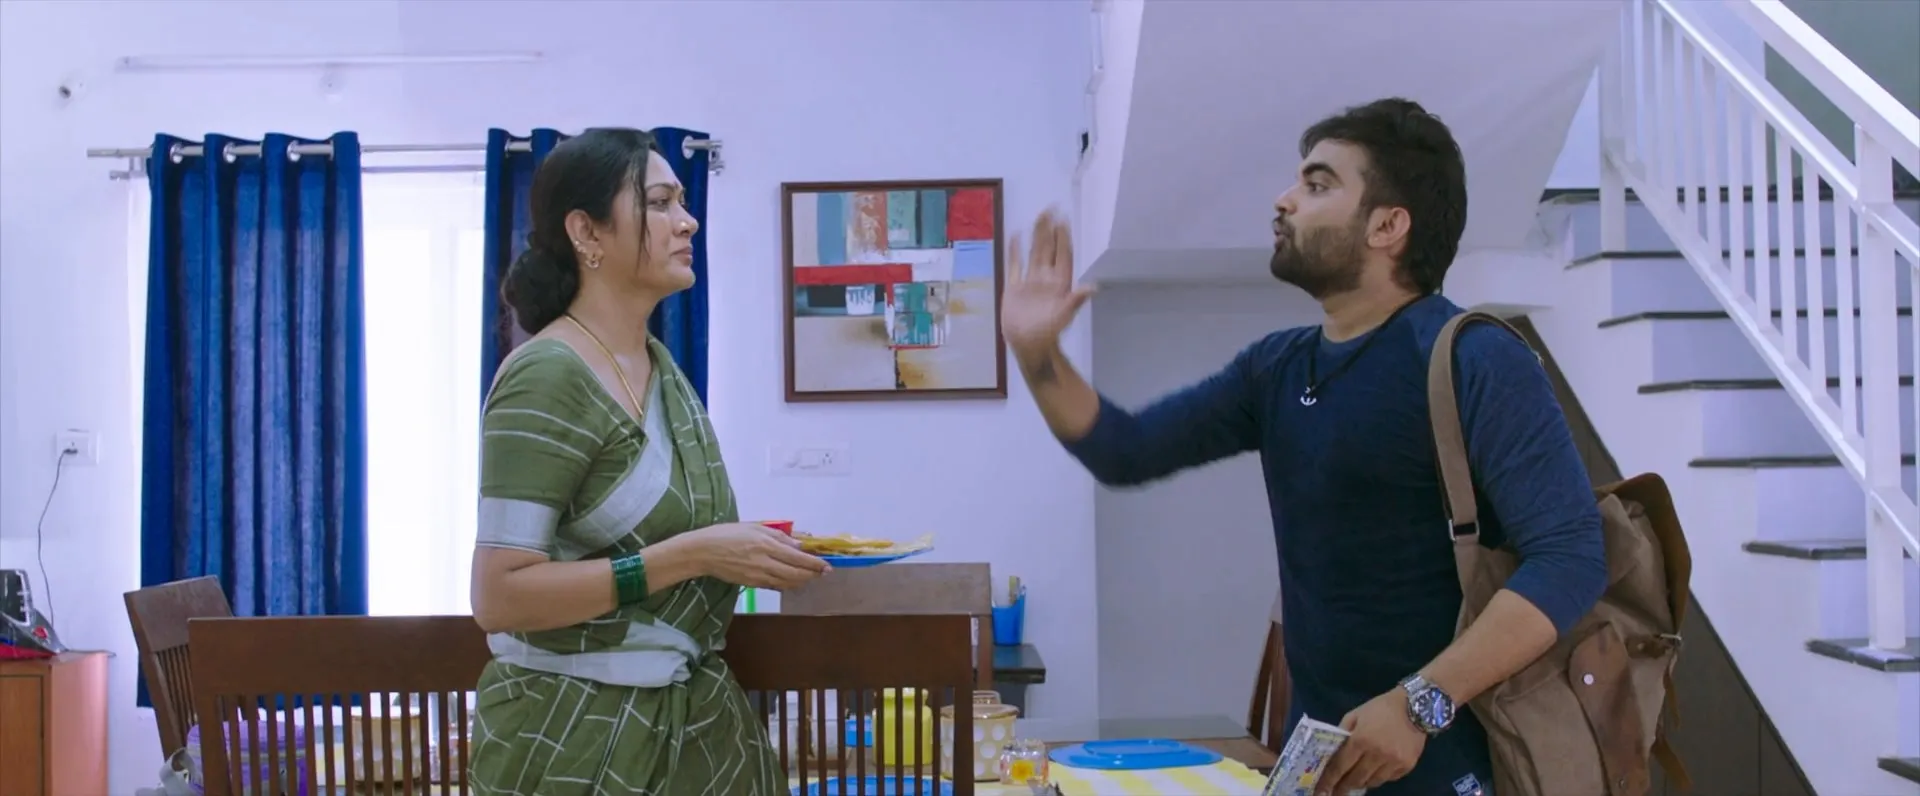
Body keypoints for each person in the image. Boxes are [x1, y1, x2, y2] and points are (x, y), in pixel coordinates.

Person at [1002, 98, 1607, 796]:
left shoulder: (1473, 358)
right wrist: (1038, 355)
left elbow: (1570, 557)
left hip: (1449, 763)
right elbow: (1126, 450)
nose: (1283, 200)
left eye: (1318, 185)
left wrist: (1419, 705)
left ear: (1388, 226)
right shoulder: (1277, 368)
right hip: (1319, 765)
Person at [466, 127, 831, 795]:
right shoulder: (547, 375)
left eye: (682, 202)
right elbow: (499, 595)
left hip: (694, 726)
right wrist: (694, 555)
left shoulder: (660, 370)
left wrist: (745, 550)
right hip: (572, 735)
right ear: (587, 232)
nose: (687, 221)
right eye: (660, 203)